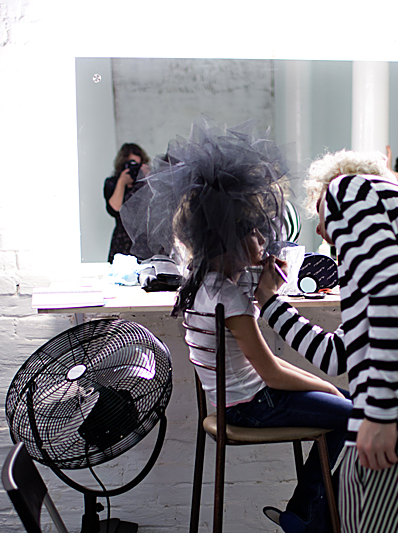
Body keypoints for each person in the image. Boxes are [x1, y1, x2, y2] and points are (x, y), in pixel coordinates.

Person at [125, 118, 352, 533]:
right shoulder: (229, 297)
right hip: (252, 407)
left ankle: (301, 513)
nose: (264, 241)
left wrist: (265, 287)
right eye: (255, 233)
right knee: (355, 416)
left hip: (242, 400)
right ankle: (310, 519)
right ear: (230, 239)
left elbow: (265, 367)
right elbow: (271, 373)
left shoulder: (203, 282)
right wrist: (326, 386)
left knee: (351, 405)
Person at [256, 149, 398, 533]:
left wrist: (378, 412)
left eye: (319, 215)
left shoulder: (348, 190)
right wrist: (269, 302)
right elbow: (336, 355)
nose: (321, 231)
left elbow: (394, 286)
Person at [103, 143, 150, 262]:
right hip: (122, 240)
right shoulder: (112, 183)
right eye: (132, 164)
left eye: (138, 165)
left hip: (143, 240)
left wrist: (148, 178)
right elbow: (114, 209)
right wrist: (122, 182)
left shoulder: (143, 185)